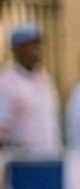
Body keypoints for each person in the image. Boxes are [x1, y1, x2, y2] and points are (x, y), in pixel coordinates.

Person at [0, 23, 60, 158]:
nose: (35, 50)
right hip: (21, 161)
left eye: (37, 44)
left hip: (49, 157)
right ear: (16, 49)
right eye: (29, 45)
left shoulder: (44, 78)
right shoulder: (6, 82)